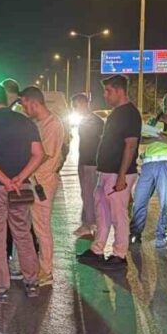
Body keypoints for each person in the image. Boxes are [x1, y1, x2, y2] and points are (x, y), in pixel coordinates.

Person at [0, 83, 43, 301]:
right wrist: (20, 178)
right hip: (19, 187)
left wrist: (5, 180)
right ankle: (32, 282)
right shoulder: (25, 121)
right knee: (22, 233)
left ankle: (1, 287)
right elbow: (38, 154)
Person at [78, 75, 141, 269]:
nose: (105, 95)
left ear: (120, 91)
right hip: (106, 172)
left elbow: (130, 146)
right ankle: (97, 249)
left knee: (118, 215)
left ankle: (119, 255)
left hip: (118, 174)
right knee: (102, 213)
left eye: (108, 91)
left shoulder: (130, 114)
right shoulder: (116, 113)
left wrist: (121, 176)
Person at [20, 86, 64, 287]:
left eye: (24, 104)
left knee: (41, 228)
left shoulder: (53, 124)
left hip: (42, 183)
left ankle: (46, 271)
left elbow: (42, 155)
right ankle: (37, 267)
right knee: (34, 226)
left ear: (33, 102)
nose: (23, 108)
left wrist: (22, 175)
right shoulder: (41, 123)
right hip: (36, 181)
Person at [130, 93, 167, 249]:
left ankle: (161, 235)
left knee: (165, 202)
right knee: (140, 199)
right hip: (148, 164)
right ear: (163, 107)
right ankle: (135, 233)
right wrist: (155, 138)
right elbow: (140, 139)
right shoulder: (153, 122)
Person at [71, 93, 104, 238]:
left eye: (75, 106)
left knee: (90, 195)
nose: (74, 109)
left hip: (91, 162)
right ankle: (86, 223)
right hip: (84, 161)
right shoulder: (86, 120)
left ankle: (91, 225)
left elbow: (100, 142)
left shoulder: (95, 121)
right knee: (85, 194)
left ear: (82, 103)